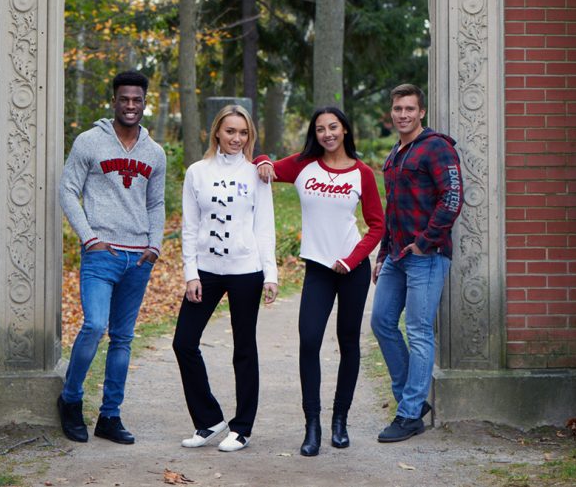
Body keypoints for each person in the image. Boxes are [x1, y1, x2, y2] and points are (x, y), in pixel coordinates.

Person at [256, 107, 384, 456]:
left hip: (351, 270)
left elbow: (377, 225)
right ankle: (312, 425)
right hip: (318, 269)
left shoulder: (362, 173)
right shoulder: (303, 165)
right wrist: (264, 160)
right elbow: (263, 166)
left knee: (348, 342)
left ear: (345, 130)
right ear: (315, 134)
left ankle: (340, 421)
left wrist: (352, 259)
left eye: (333, 127)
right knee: (309, 340)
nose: (327, 134)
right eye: (320, 129)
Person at [57, 70, 166, 445]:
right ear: (114, 101)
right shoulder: (89, 142)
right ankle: (70, 400)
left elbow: (156, 203)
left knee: (122, 338)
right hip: (101, 254)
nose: (130, 105)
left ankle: (110, 416)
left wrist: (155, 245)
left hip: (138, 259)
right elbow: (68, 190)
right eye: (124, 99)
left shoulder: (155, 153)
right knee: (94, 325)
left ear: (145, 102)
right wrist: (89, 238)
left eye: (137, 100)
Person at [172, 105, 278, 453]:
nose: (237, 138)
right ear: (216, 131)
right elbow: (189, 227)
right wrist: (190, 273)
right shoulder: (197, 172)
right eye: (230, 131)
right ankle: (209, 420)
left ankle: (242, 428)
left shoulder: (256, 174)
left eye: (243, 133)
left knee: (244, 348)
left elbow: (265, 227)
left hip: (246, 270)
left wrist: (270, 274)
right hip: (206, 270)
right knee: (184, 342)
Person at [370, 83, 463, 443]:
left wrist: (425, 243)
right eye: (398, 109)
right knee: (382, 322)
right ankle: (412, 400)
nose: (403, 114)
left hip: (426, 255)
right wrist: (383, 254)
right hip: (396, 255)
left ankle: (409, 415)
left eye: (409, 108)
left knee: (419, 331)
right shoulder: (395, 153)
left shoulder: (436, 147)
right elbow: (392, 210)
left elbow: (452, 197)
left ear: (421, 112)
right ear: (391, 112)